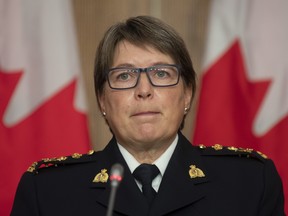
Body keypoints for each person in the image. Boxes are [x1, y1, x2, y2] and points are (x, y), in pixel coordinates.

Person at [11, 15, 285, 216]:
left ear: (187, 94)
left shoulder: (249, 183)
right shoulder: (46, 192)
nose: (144, 90)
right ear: (103, 99)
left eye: (161, 74)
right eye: (125, 75)